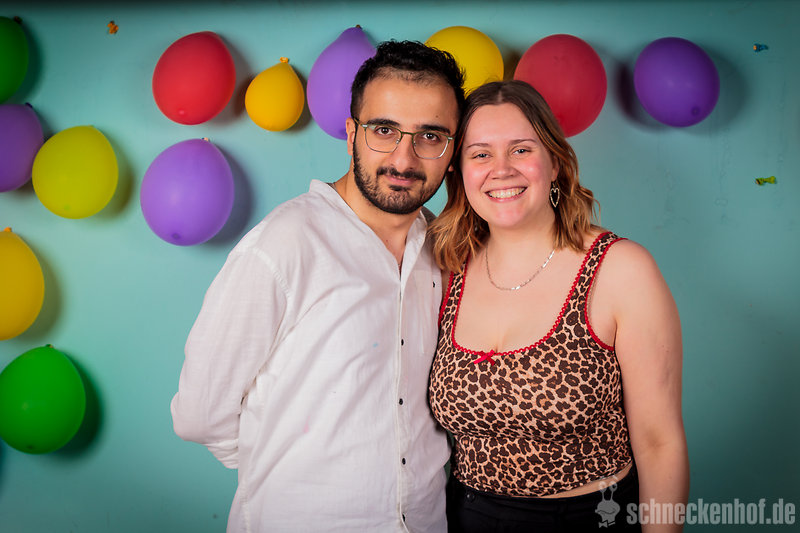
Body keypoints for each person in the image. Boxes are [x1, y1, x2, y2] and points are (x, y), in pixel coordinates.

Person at [170, 40, 465, 532]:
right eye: (384, 130)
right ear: (351, 135)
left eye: (430, 136)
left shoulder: (443, 248)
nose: (404, 158)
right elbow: (198, 414)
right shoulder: (284, 244)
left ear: (451, 149)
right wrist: (285, 463)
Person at [427, 80, 689, 532]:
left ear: (555, 162)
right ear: (459, 172)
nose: (501, 169)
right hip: (465, 515)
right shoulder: (447, 269)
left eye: (521, 149)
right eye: (481, 154)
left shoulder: (620, 269)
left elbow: (659, 443)